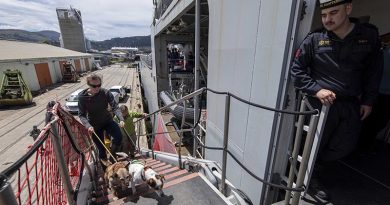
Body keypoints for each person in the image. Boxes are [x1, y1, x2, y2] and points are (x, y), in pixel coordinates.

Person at [290, 0, 383, 200]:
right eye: (324, 15)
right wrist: (316, 90)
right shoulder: (315, 39)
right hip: (321, 104)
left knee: (345, 145)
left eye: (333, 13)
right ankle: (309, 179)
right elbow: (296, 71)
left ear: (348, 9)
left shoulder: (368, 36)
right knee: (314, 143)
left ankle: (316, 166)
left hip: (350, 103)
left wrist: (368, 100)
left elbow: (374, 71)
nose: (327, 19)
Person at [78, 74, 125, 162]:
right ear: (88, 84)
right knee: (101, 149)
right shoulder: (82, 97)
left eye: (99, 85)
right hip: (95, 125)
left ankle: (112, 155)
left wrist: (121, 119)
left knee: (119, 137)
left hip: (107, 121)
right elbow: (81, 115)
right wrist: (88, 126)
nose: (97, 88)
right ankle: (105, 167)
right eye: (94, 86)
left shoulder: (105, 92)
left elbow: (114, 106)